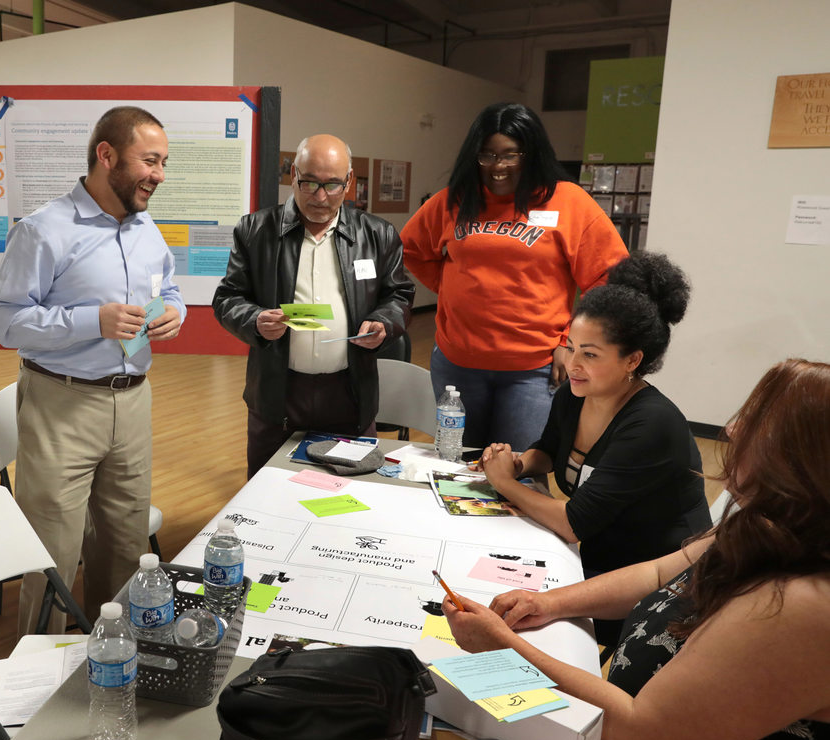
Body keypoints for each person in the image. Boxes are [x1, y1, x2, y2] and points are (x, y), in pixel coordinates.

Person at [443, 359, 830, 740]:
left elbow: (643, 731)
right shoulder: (770, 521)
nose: (731, 429)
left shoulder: (802, 604)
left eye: (756, 420)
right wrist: (545, 602)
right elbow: (661, 574)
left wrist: (505, 651)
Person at [0, 106, 185, 632]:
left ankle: (113, 654)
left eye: (163, 162)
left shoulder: (146, 230)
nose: (159, 175)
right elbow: (2, 320)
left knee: (123, 546)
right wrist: (91, 321)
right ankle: (38, 675)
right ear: (106, 155)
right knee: (52, 554)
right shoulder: (43, 230)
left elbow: (169, 290)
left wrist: (174, 313)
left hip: (133, 402)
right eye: (150, 161)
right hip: (62, 406)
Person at [478, 252, 710, 643]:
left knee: (511, 616)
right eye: (570, 347)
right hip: (597, 557)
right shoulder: (574, 395)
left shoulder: (651, 423)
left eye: (590, 354)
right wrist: (517, 465)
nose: (573, 364)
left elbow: (573, 522)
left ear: (632, 360)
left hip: (655, 586)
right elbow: (549, 450)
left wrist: (503, 483)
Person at [400, 102, 628, 453]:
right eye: (488, 155)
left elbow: (609, 277)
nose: (498, 166)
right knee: (456, 468)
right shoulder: (455, 201)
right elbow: (412, 249)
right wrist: (453, 291)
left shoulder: (567, 202)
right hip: (457, 365)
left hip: (532, 370)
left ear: (531, 153)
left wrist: (571, 341)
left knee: (519, 473)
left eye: (510, 155)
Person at [213, 134, 415, 477]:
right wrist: (255, 319)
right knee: (269, 490)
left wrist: (384, 323)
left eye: (333, 185)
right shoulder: (256, 230)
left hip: (349, 393)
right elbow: (227, 298)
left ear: (349, 182)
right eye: (309, 183)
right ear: (293, 174)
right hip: (278, 392)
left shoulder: (377, 234)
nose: (320, 197)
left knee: (350, 492)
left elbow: (399, 294)